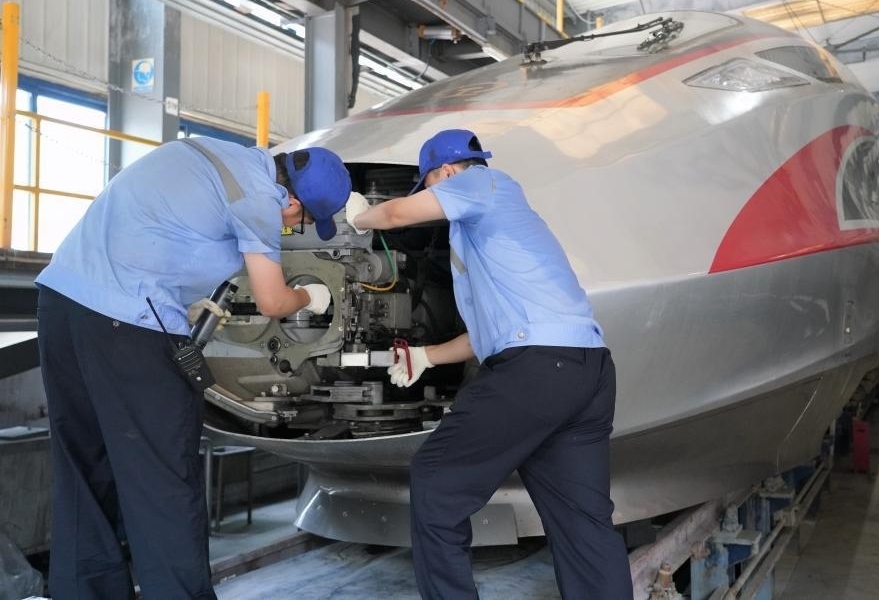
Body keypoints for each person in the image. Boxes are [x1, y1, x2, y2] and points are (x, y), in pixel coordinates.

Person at [35, 136, 351, 599]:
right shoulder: (261, 197)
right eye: (299, 222)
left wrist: (180, 298)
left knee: (83, 468)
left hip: (61, 305)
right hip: (128, 323)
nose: (290, 228)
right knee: (162, 481)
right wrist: (312, 296)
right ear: (292, 202)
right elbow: (273, 300)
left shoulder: (210, 151)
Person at [345, 129, 632, 600]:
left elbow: (395, 214)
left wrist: (358, 217)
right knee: (582, 522)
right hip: (587, 373)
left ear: (445, 173)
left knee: (435, 480)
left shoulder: (485, 183)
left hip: (539, 370)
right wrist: (425, 356)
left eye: (428, 185)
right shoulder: (493, 237)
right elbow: (487, 338)